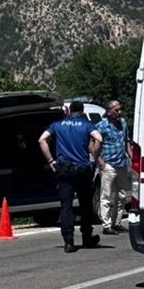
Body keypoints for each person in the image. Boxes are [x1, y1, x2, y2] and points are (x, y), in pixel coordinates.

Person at [39, 99, 103, 252]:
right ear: (81, 111)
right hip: (82, 170)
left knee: (66, 206)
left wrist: (50, 161)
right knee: (85, 205)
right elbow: (99, 138)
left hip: (64, 170)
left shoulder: (58, 125)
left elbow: (41, 139)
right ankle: (87, 237)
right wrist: (95, 156)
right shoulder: (87, 125)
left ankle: (68, 241)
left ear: (69, 111)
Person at [95, 99, 131, 234]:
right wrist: (99, 161)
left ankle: (117, 222)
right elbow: (94, 145)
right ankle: (106, 224)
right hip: (108, 164)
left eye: (120, 109)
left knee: (121, 195)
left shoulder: (123, 123)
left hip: (121, 163)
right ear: (109, 111)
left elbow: (126, 141)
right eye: (116, 110)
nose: (119, 112)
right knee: (107, 195)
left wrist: (131, 157)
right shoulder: (101, 126)